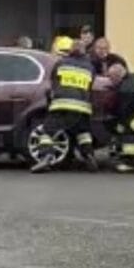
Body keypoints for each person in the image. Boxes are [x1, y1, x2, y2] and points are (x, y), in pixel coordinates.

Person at [30, 35, 98, 174]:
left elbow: (53, 83)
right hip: (82, 107)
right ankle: (89, 155)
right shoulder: (90, 67)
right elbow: (90, 87)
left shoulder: (61, 63)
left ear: (70, 50)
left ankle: (46, 157)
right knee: (83, 133)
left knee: (47, 131)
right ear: (84, 51)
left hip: (62, 104)